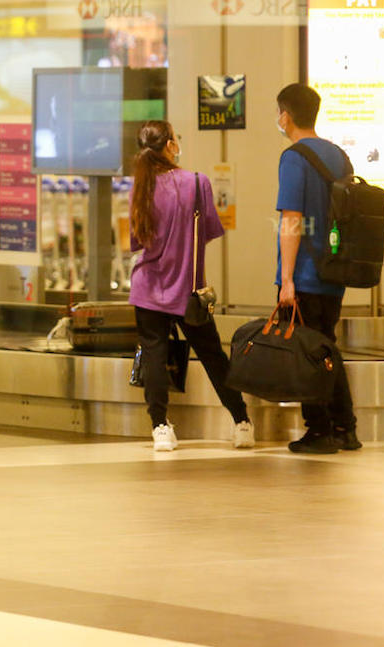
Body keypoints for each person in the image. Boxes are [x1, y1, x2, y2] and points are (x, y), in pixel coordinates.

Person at [128, 120, 254, 452]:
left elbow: (135, 241)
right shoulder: (197, 183)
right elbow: (210, 230)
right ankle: (241, 422)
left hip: (148, 287)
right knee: (212, 354)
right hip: (189, 288)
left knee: (154, 355)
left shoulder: (140, 186)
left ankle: (160, 429)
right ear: (170, 145)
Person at [274, 83, 360, 454]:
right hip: (334, 273)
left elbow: (292, 219)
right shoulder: (340, 156)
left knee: (306, 352)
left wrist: (287, 278)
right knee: (328, 348)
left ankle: (320, 430)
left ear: (286, 115)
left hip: (306, 273)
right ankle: (346, 427)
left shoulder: (294, 157)